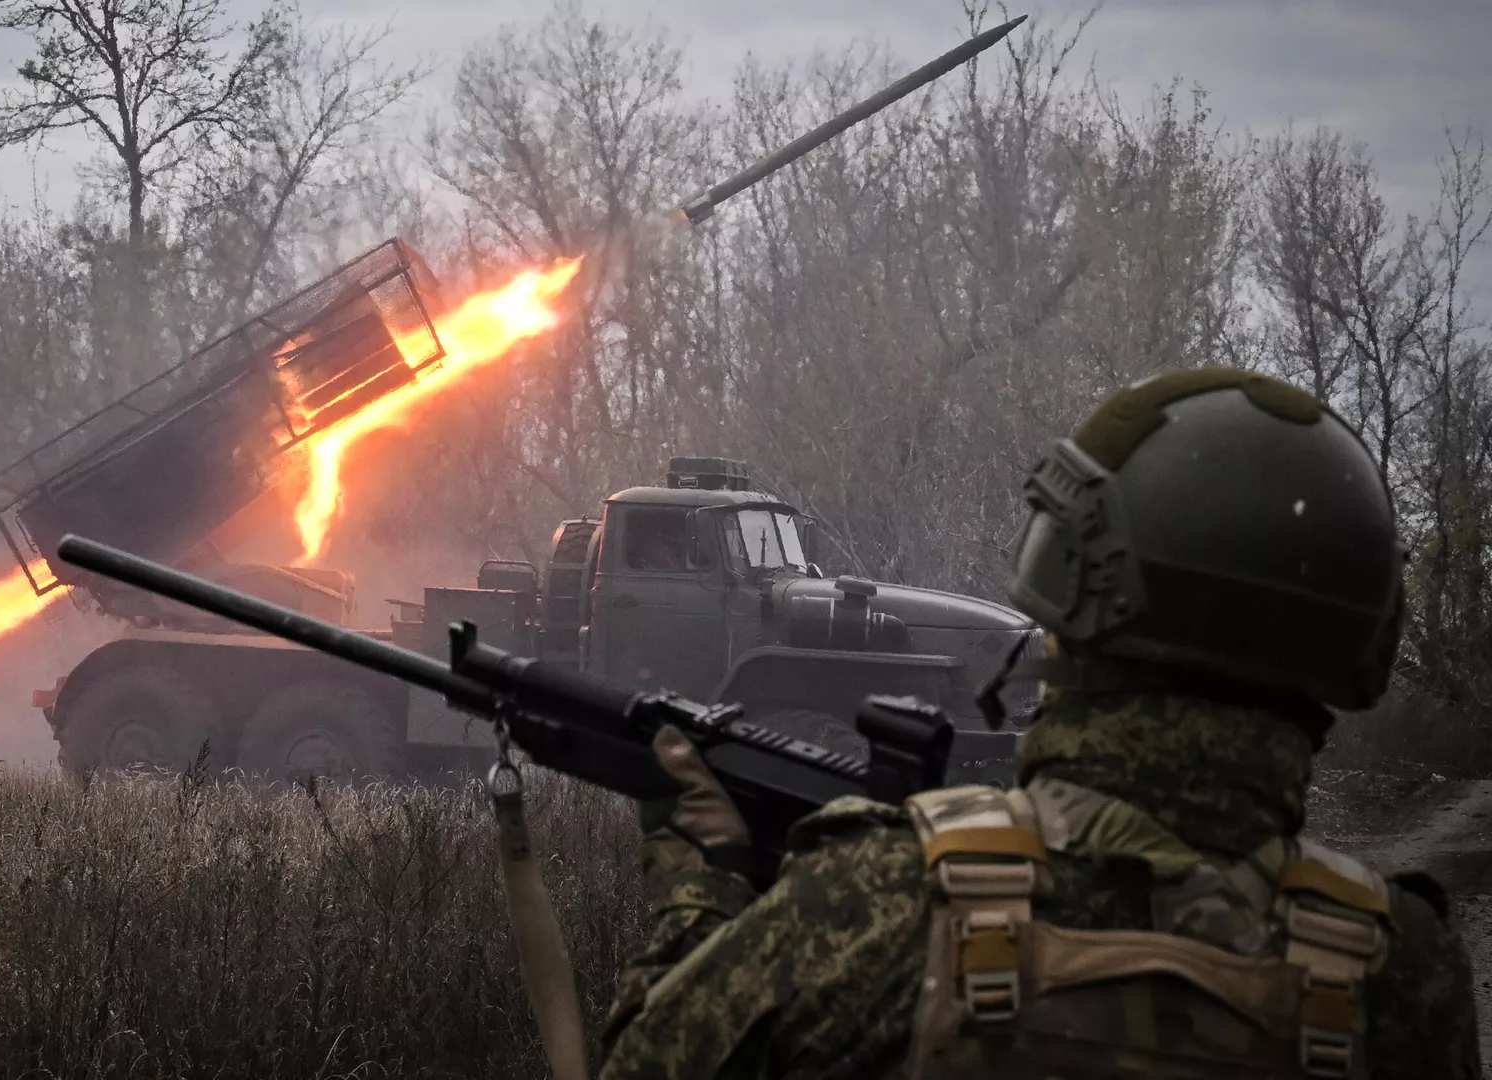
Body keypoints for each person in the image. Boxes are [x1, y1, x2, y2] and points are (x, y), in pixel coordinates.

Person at [598, 368, 1481, 1079]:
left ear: (1075, 590)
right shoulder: (1404, 973)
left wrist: (702, 885)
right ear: (1355, 635)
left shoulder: (872, 906)